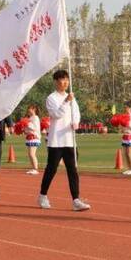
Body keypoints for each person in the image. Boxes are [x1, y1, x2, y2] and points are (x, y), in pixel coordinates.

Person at [37, 70, 91, 211]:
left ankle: (76, 200)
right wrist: (66, 102)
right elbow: (56, 114)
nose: (65, 82)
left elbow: (76, 113)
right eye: (62, 79)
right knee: (51, 169)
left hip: (70, 140)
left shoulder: (71, 97)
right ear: (56, 82)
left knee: (72, 170)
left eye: (66, 79)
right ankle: (43, 195)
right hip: (56, 141)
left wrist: (76, 122)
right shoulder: (51, 98)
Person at [24, 105, 41, 175]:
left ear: (34, 109)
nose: (28, 110)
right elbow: (28, 129)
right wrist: (24, 129)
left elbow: (35, 128)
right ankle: (33, 168)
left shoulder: (35, 118)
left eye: (30, 109)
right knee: (30, 154)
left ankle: (35, 169)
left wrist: (27, 124)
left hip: (34, 138)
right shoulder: (30, 118)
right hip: (29, 137)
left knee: (32, 154)